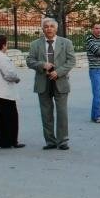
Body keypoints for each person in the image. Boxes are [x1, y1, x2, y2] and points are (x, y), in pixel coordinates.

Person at [26, 17, 76, 150]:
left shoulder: (66, 43)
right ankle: (50, 141)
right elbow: (29, 61)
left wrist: (58, 72)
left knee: (62, 112)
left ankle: (63, 140)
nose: (49, 29)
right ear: (42, 29)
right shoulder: (35, 44)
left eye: (51, 26)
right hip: (43, 82)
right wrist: (43, 65)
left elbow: (71, 61)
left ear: (56, 28)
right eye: (46, 26)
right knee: (46, 113)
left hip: (60, 81)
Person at [0, 33, 24, 149]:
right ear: (3, 45)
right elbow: (9, 74)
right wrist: (17, 79)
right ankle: (10, 141)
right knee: (11, 117)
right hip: (3, 92)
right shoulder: (2, 57)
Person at [84, 22, 100, 123]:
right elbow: (98, 51)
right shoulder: (89, 39)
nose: (99, 30)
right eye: (96, 28)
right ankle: (98, 116)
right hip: (95, 70)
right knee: (97, 93)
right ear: (92, 29)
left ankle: (94, 115)